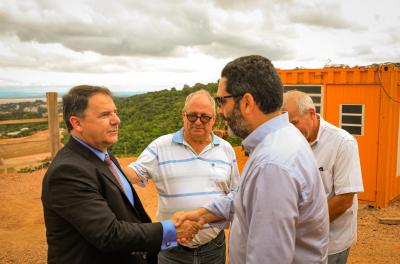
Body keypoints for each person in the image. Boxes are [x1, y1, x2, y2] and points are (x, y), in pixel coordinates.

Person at [174, 55, 329, 264]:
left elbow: (268, 259)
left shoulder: (272, 165)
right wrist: (203, 214)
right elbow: (245, 198)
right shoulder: (280, 141)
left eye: (222, 101)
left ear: (247, 102)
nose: (219, 111)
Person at [41, 85, 201, 264]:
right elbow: (109, 234)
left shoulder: (104, 156)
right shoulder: (68, 172)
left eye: (114, 112)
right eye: (104, 115)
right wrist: (170, 230)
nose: (116, 120)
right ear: (77, 123)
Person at [124, 89, 240, 264]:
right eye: (192, 116)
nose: (198, 122)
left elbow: (236, 192)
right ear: (183, 116)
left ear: (214, 119)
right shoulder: (160, 146)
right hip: (172, 249)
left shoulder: (226, 149)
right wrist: (106, 161)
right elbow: (135, 173)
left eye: (205, 117)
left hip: (213, 248)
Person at [282, 90, 364, 264]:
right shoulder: (288, 141)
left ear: (311, 113)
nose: (290, 130)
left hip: (330, 245)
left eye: (294, 122)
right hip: (295, 242)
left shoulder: (342, 143)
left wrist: (303, 228)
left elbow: (344, 199)